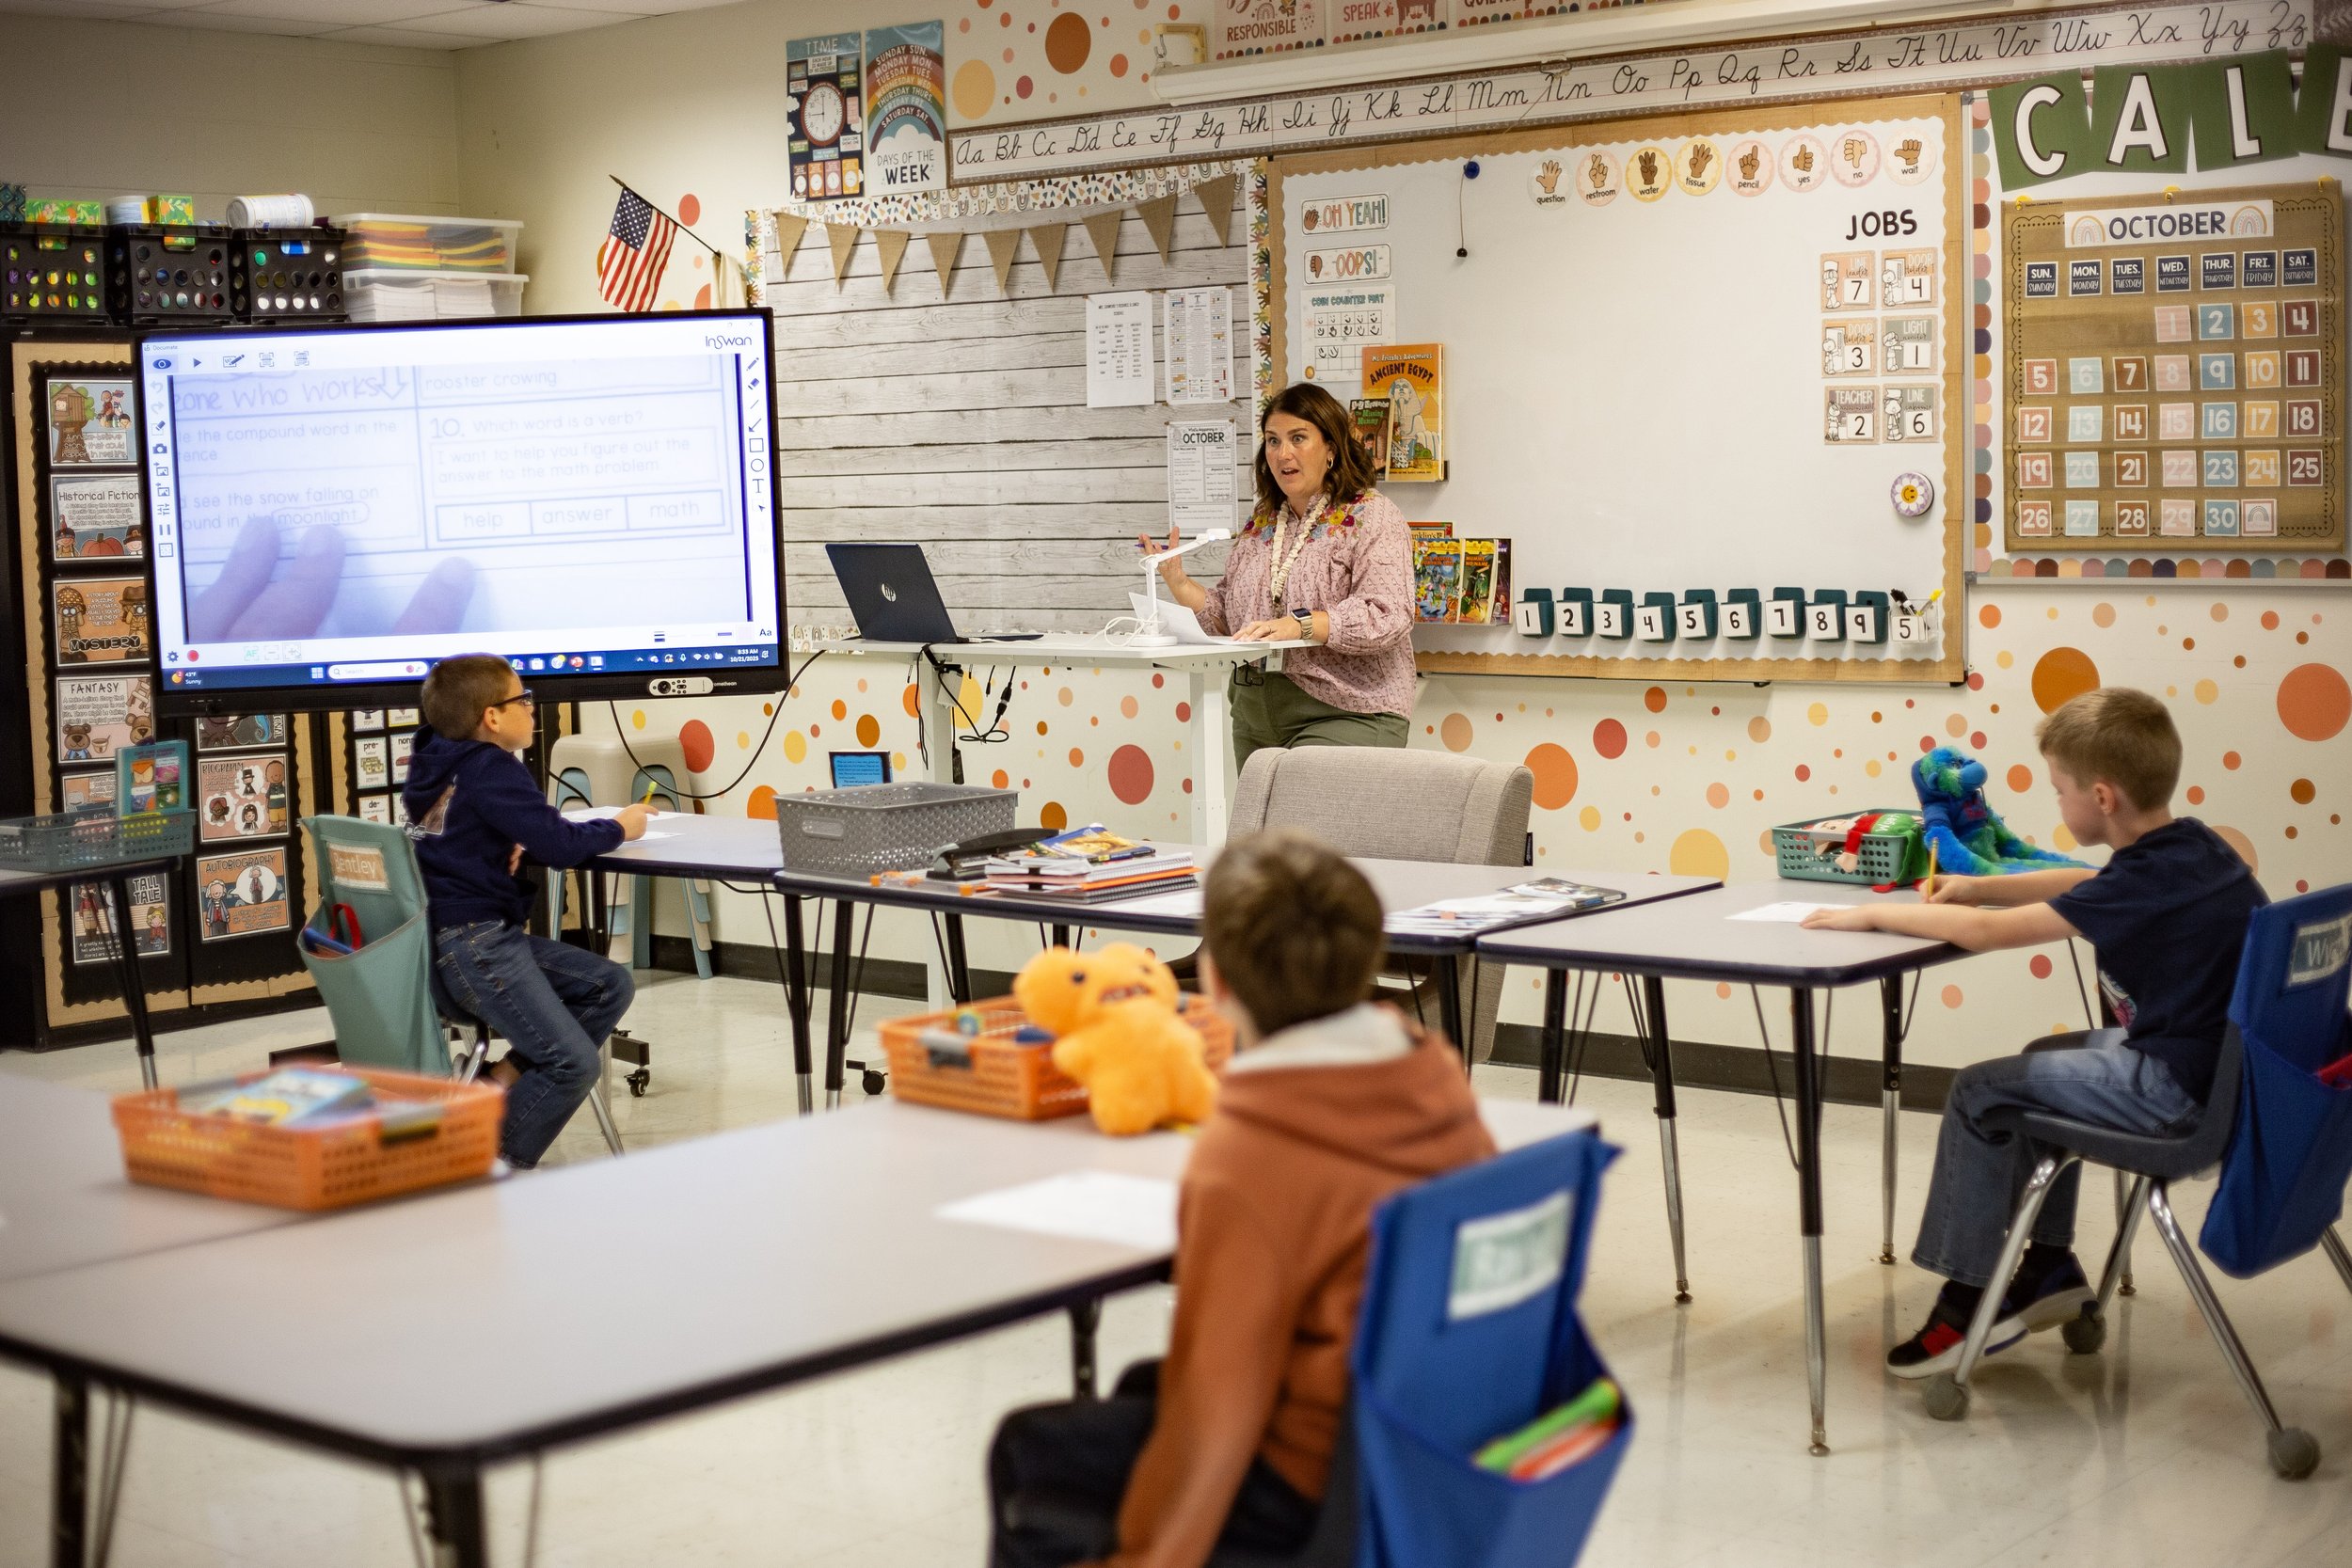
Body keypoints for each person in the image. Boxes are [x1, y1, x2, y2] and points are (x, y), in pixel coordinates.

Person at [987, 828, 1495, 1568]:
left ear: (1214, 981)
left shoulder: (1248, 1158)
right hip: (1430, 1443)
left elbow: (1214, 1414)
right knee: (1138, 1387)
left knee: (1029, 1451)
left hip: (1310, 1480)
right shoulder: (1434, 1074)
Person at [1800, 687, 2266, 1377]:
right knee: (2039, 1063)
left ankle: (1966, 1304)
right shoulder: (2190, 848)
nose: (2057, 802)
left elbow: (1991, 936)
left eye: (2059, 790)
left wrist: (1874, 918)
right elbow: (2081, 880)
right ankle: (2048, 1265)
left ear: (2102, 797)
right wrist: (1982, 885)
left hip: (2179, 1093)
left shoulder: (2141, 879)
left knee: (1976, 1091)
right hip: (2225, 1075)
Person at [404, 654, 650, 1168]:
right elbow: (559, 845)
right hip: (478, 945)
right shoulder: (491, 766)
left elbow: (458, 830)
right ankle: (489, 1164)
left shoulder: (435, 756)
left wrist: (497, 842)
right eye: (523, 700)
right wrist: (621, 827)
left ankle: (499, 1083)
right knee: (572, 1065)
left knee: (608, 984)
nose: (532, 710)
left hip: (444, 943)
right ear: (492, 717)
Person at [1138, 383, 1415, 771]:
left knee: (1311, 828)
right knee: (1262, 831)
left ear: (1331, 448)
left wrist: (1300, 626)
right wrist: (1178, 581)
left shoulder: (1373, 516)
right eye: (1272, 441)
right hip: (1255, 710)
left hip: (1347, 708)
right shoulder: (1263, 522)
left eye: (1298, 438)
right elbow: (1230, 619)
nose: (1283, 453)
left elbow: (1387, 615)